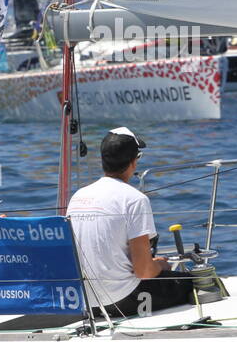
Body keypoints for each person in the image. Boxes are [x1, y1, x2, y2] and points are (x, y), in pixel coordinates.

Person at [67, 127, 194, 318]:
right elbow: (143, 271)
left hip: (85, 302)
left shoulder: (78, 196)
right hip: (123, 300)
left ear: (103, 161)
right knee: (195, 282)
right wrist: (161, 265)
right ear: (133, 162)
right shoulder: (135, 199)